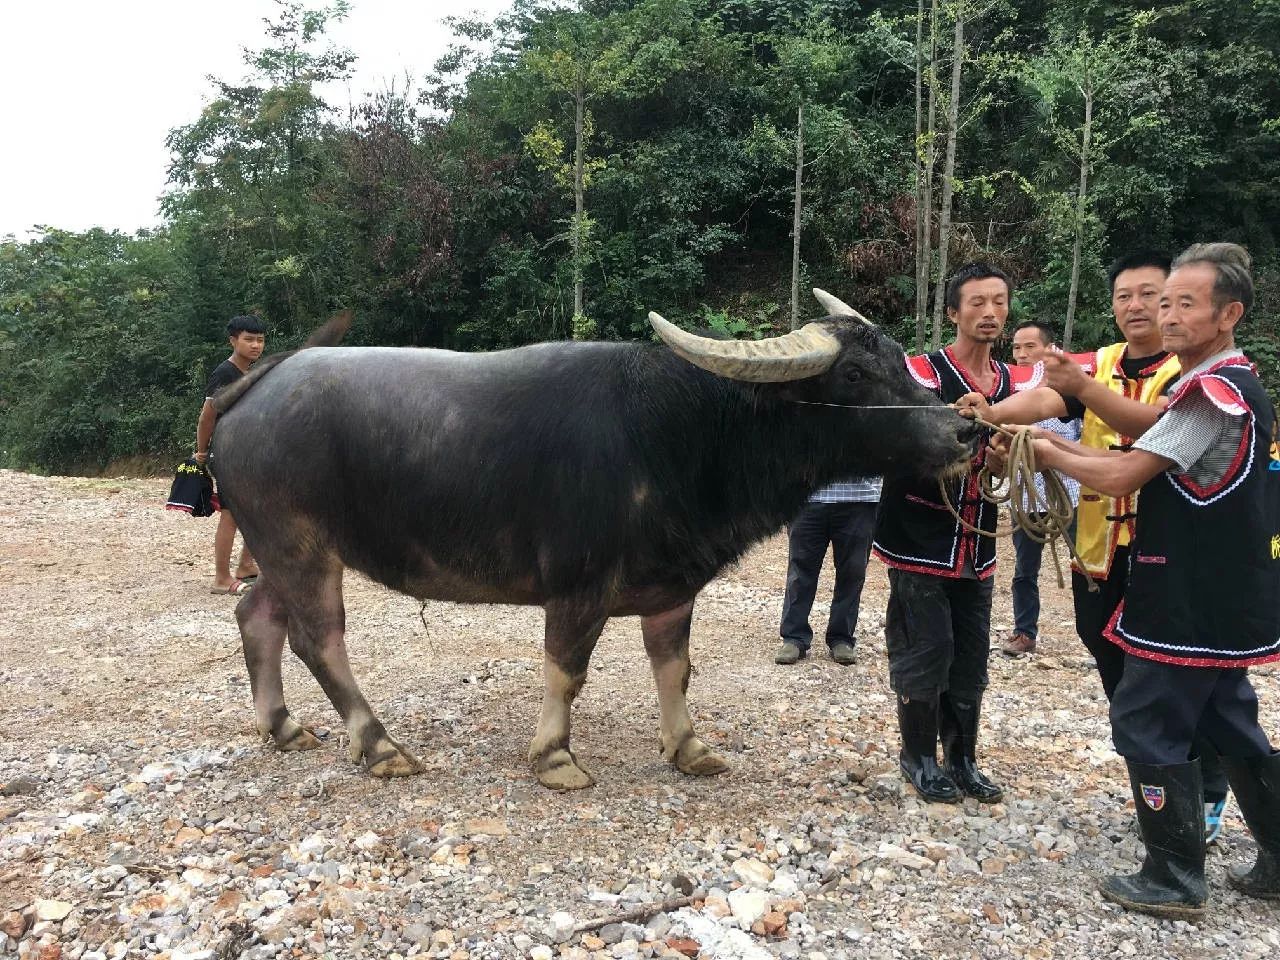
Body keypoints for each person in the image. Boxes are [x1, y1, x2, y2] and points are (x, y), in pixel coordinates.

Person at [1022, 242, 1279, 919]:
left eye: (1184, 304)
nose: (1166, 316)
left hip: (1189, 598)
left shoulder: (1211, 396)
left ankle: (1174, 876)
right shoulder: (1220, 384)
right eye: (1166, 302)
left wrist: (1047, 449)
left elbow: (1122, 475)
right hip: (1222, 593)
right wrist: (1051, 447)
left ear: (1229, 314)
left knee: (1146, 719)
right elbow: (1134, 453)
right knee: (1230, 724)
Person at [958, 251, 1232, 842]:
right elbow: (1046, 400)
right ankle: (1160, 794)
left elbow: (1146, 432)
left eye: (1155, 297)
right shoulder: (1103, 362)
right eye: (1124, 296)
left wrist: (1063, 419)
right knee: (1120, 674)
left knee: (1179, 681)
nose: (1138, 307)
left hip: (1168, 558)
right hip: (1098, 548)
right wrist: (992, 415)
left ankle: (1202, 798)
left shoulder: (1191, 376)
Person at [872, 262, 1013, 804]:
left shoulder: (1010, 385)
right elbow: (891, 442)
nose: (989, 313)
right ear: (953, 313)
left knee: (971, 654)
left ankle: (963, 758)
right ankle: (918, 758)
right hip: (919, 536)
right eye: (976, 303)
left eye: (998, 302)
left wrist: (1002, 456)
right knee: (924, 646)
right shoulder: (920, 375)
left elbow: (1012, 457)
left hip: (977, 542)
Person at [1002, 321, 1081, 656]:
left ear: (1050, 350)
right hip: (1025, 494)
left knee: (1088, 563)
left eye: (1030, 347)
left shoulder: (1073, 392)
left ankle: (1102, 632)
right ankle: (1024, 632)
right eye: (1017, 347)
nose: (1021, 354)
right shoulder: (1009, 394)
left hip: (1071, 492)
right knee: (1024, 569)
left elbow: (1088, 436)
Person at [194, 315, 266, 595]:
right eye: (249, 339)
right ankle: (221, 578)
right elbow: (206, 416)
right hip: (227, 453)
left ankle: (246, 565)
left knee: (254, 510)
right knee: (231, 514)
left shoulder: (250, 371)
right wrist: (201, 452)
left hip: (247, 452)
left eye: (259, 340)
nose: (255, 345)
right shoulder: (225, 373)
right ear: (233, 340)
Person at [774, 477, 881, 666]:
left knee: (852, 572)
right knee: (800, 571)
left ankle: (841, 638)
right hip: (807, 497)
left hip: (859, 499)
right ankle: (793, 637)